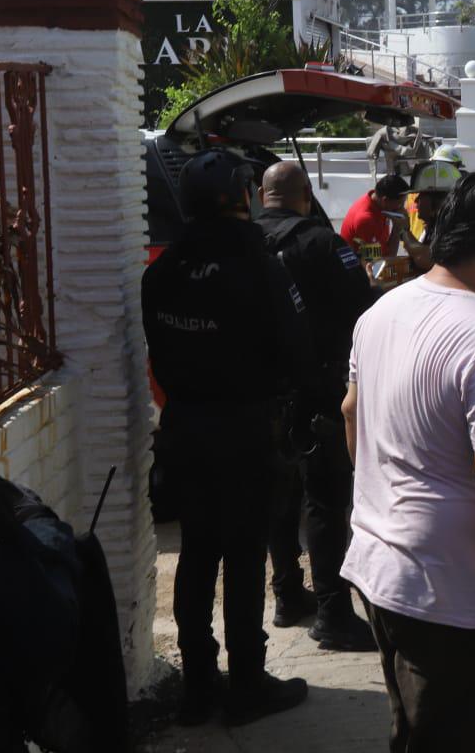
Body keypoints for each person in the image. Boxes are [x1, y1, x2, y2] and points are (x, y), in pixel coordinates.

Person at [341, 172, 475, 752]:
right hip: (451, 599)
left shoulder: (382, 312)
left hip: (387, 572)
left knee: (414, 733)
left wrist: (384, 504)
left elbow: (351, 414)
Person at [142, 149, 313, 725]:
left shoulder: (162, 271)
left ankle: (197, 688)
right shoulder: (258, 264)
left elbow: (158, 360)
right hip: (246, 432)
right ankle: (246, 684)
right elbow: (295, 349)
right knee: (242, 559)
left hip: (186, 429)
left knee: (196, 555)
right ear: (242, 195)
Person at [255, 161, 378, 652]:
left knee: (280, 499)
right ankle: (332, 611)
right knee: (325, 501)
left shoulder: (244, 243)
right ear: (306, 194)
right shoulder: (323, 244)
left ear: (261, 195)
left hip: (261, 397)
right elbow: (363, 312)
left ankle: (287, 594)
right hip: (318, 392)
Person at [399, 159, 462, 274]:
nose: (416, 200)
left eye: (421, 196)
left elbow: (426, 259)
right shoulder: (433, 227)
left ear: (437, 202)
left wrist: (404, 230)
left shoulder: (450, 229)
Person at [340, 173, 409, 261]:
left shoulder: (379, 204)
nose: (402, 208)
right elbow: (378, 265)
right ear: (385, 200)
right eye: (400, 203)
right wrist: (397, 227)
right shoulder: (366, 220)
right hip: (359, 271)